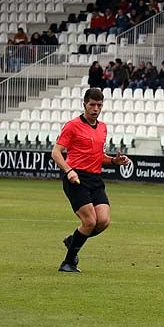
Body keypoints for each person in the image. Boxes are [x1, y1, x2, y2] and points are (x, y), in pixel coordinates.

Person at [50, 88, 130, 273]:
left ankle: (73, 241)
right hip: (76, 178)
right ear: (84, 104)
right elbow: (55, 152)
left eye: (99, 105)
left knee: (103, 221)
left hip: (95, 178)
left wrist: (113, 161)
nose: (95, 109)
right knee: (90, 222)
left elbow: (98, 155)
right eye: (92, 105)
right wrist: (68, 170)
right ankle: (68, 262)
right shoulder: (72, 126)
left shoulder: (102, 127)